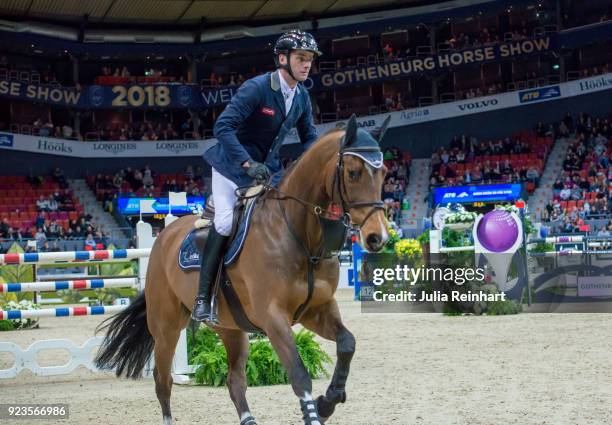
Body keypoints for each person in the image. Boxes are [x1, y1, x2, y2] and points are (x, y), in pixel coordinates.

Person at [192, 30, 321, 323]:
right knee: (225, 222)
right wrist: (248, 164)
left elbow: (309, 138)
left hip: (267, 172)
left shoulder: (300, 96)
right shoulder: (257, 88)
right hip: (231, 166)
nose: (306, 65)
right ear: (282, 58)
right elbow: (222, 128)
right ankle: (204, 298)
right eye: (301, 58)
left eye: (310, 60)